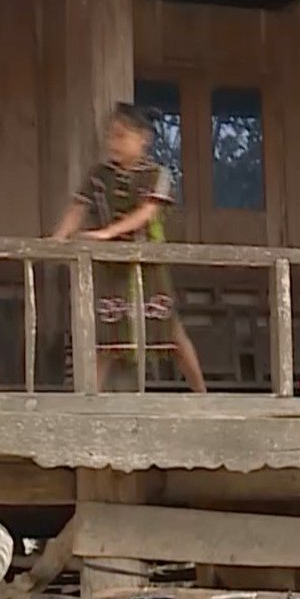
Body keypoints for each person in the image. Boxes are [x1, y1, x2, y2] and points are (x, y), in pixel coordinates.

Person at [50, 102, 208, 393]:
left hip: (146, 264)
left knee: (170, 332)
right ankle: (87, 400)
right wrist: (57, 239)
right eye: (111, 135)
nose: (114, 142)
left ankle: (202, 394)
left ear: (143, 138)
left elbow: (146, 213)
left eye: (122, 136)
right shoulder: (99, 175)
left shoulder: (157, 174)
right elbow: (78, 207)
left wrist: (107, 233)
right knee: (107, 339)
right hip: (111, 268)